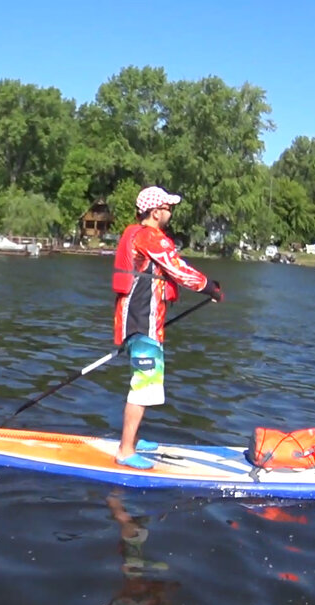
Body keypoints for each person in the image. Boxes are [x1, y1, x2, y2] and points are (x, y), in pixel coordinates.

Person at [111, 186, 223, 469]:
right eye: (168, 208)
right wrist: (211, 288)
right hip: (141, 320)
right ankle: (125, 451)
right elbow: (179, 269)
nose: (171, 213)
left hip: (141, 320)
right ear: (155, 211)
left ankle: (132, 441)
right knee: (144, 384)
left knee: (145, 381)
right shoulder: (149, 238)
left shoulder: (136, 234)